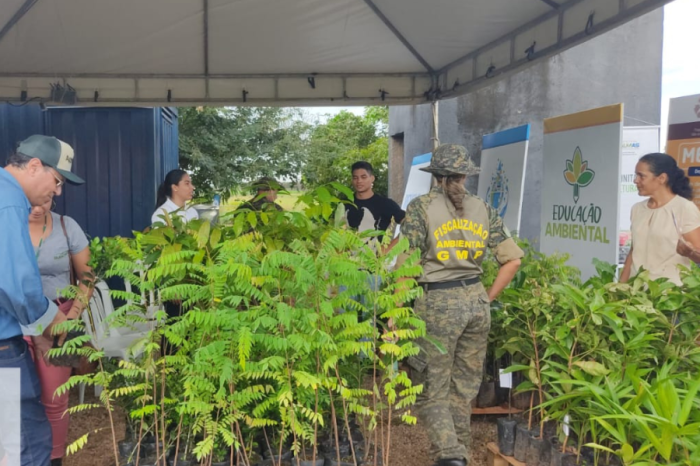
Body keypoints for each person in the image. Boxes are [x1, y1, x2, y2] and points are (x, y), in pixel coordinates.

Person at [398, 144, 523, 466]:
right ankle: (461, 454)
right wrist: (487, 297)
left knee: (431, 388)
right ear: (465, 174)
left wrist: (396, 312)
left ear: (436, 176)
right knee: (464, 388)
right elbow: (513, 260)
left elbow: (407, 264)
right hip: (475, 302)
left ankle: (449, 455)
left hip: (436, 303)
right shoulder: (483, 208)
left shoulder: (421, 207)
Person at [0, 134, 85, 466]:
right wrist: (51, 321)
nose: (58, 191)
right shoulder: (8, 199)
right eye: (57, 180)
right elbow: (16, 284)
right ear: (34, 166)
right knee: (27, 443)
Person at [25, 199, 93, 466]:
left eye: (46, 200)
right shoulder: (8, 225)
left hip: (59, 323)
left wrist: (71, 317)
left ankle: (54, 460)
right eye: (32, 201)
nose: (38, 206)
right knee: (11, 398)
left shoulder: (67, 227)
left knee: (55, 398)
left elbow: (87, 278)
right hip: (13, 325)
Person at [620, 153, 700, 285]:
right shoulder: (637, 209)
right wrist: (620, 287)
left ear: (662, 178)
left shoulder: (684, 208)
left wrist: (689, 253)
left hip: (669, 296)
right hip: (636, 292)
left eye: (641, 176)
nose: (636, 180)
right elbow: (634, 251)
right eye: (636, 175)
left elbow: (698, 252)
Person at [345, 161, 405, 239]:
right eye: (355, 178)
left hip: (375, 250)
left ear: (372, 178)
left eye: (363, 177)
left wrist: (389, 247)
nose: (359, 181)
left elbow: (410, 225)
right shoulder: (344, 204)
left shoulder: (385, 204)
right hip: (347, 250)